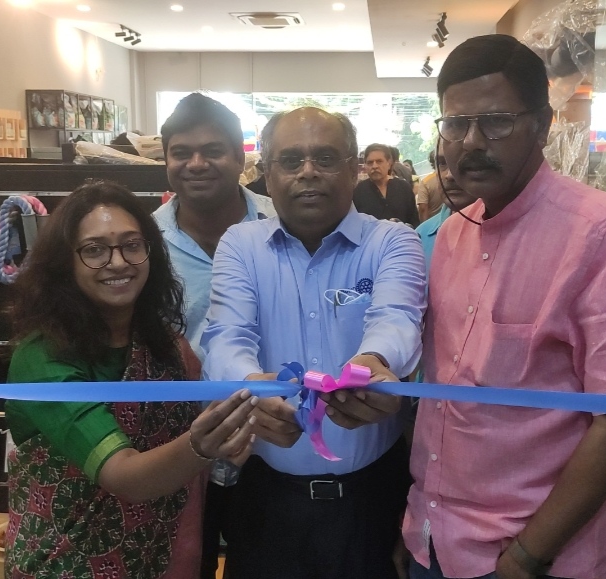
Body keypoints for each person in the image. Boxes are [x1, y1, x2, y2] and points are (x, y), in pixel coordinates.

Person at [404, 34, 606, 579]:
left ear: (542, 124)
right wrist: (419, 529)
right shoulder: (453, 234)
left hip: (536, 556)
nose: (470, 142)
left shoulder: (597, 232)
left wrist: (529, 556)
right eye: (455, 124)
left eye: (496, 122)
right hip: (434, 539)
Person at [201, 107, 427, 579]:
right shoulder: (240, 245)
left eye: (325, 157)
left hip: (373, 501)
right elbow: (226, 335)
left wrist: (373, 362)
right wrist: (251, 389)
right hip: (265, 501)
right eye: (290, 160)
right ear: (266, 173)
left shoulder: (393, 242)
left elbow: (397, 318)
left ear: (353, 167)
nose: (308, 172)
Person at [4, 181, 258, 579]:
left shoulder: (166, 346)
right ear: (64, 263)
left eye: (131, 245)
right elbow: (125, 477)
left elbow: (201, 428)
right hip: (65, 563)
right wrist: (203, 446)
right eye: (94, 250)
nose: (118, 262)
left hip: (161, 557)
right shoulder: (43, 357)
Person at [154, 92, 276, 579]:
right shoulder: (143, 242)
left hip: (270, 441)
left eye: (213, 150)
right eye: (181, 152)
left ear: (240, 157)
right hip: (178, 447)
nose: (196, 164)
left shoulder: (283, 222)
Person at [415, 139, 475, 269]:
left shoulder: (511, 238)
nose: (449, 175)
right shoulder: (420, 237)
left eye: (463, 162)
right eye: (442, 163)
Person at [353, 143, 419, 227]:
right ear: (365, 165)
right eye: (370, 162)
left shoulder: (403, 188)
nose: (374, 166)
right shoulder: (358, 191)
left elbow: (414, 221)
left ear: (389, 163)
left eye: (379, 161)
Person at [416, 149, 447, 223]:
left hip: (433, 225)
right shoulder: (453, 178)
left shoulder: (425, 182)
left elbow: (423, 208)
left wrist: (424, 226)